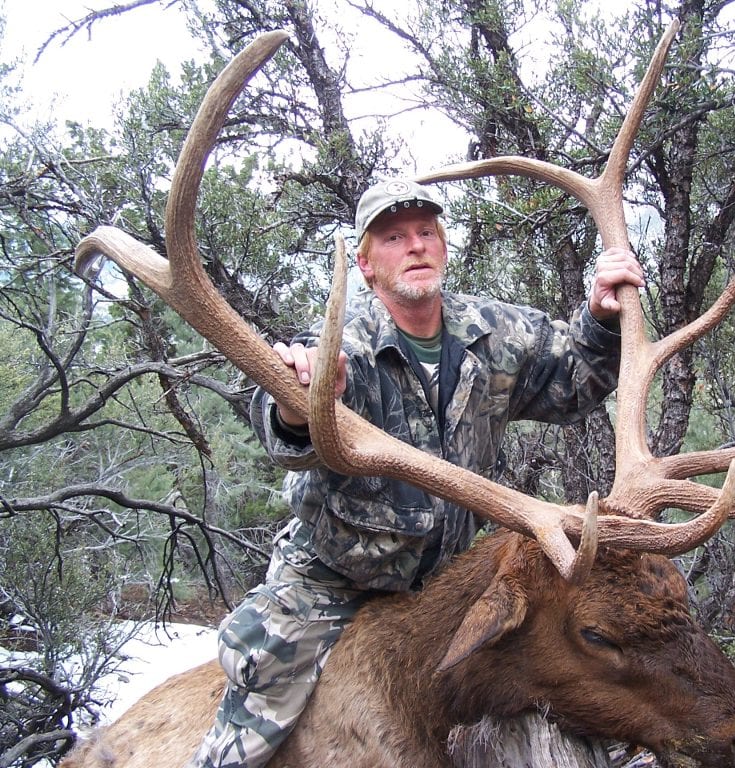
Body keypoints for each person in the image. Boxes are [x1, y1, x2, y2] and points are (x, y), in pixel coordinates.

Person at [188, 178, 645, 768]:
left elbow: (574, 383)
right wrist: (296, 403)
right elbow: (284, 434)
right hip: (334, 577)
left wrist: (601, 317)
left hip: (445, 582)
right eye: (394, 237)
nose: (415, 246)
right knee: (256, 698)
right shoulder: (341, 347)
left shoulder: (494, 332)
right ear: (366, 263)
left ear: (444, 247)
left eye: (426, 233)